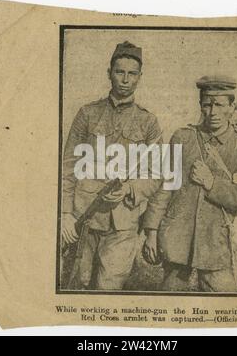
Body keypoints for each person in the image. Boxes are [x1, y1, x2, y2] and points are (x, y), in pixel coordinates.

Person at [61, 41, 162, 290]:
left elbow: (156, 174)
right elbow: (67, 168)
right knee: (77, 284)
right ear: (109, 73)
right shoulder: (87, 114)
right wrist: (64, 214)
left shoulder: (148, 122)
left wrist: (129, 188)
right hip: (83, 219)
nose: (125, 79)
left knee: (109, 289)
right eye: (119, 72)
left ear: (140, 77)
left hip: (123, 224)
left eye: (132, 73)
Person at [142, 75, 237, 292]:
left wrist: (212, 183)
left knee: (226, 306)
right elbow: (165, 188)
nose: (212, 113)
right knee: (169, 304)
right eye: (207, 105)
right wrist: (151, 232)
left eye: (220, 105)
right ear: (200, 105)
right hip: (177, 240)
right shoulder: (183, 138)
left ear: (232, 106)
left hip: (215, 242)